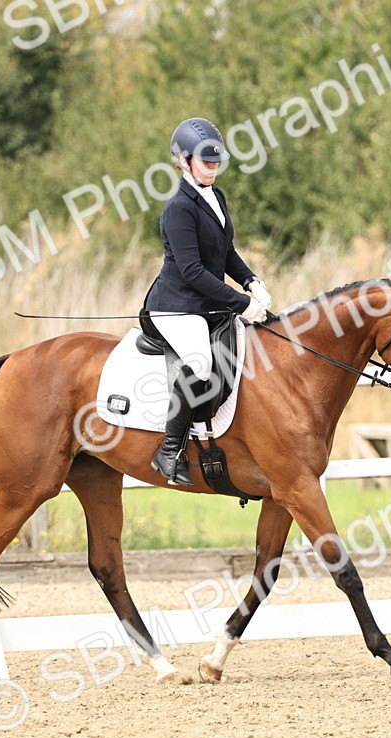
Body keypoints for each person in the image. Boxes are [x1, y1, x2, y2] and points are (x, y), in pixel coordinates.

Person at [140, 117, 273, 486]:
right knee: (199, 363)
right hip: (175, 305)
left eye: (216, 162)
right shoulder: (178, 208)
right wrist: (241, 303)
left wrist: (251, 280)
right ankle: (168, 451)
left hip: (207, 303)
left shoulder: (216, 196)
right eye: (205, 162)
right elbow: (194, 271)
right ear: (183, 162)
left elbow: (226, 251)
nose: (213, 168)